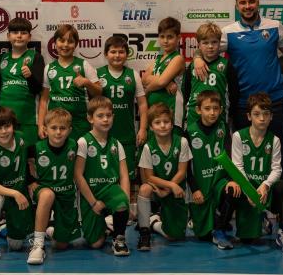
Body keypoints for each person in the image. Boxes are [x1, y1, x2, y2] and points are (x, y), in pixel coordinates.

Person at [193, 0, 283, 178]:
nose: (247, 6)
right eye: (243, 3)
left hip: (274, 102)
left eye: (251, 1)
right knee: (242, 159)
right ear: (237, 6)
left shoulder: (274, 26)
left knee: (277, 156)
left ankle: (280, 208)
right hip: (243, 106)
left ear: (258, 3)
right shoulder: (228, 32)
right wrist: (197, 57)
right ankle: (248, 206)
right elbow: (207, 46)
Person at [232, 93, 283, 254]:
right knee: (247, 240)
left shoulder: (274, 140)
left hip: (264, 191)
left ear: (271, 117)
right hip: (247, 189)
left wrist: (266, 186)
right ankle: (222, 229)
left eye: (266, 114)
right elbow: (237, 166)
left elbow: (277, 169)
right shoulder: (238, 137)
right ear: (248, 116)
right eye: (257, 114)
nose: (262, 118)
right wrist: (248, 190)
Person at [74, 96, 131, 256]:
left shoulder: (116, 143)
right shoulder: (83, 142)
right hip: (90, 194)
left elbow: (124, 176)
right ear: (90, 118)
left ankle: (119, 239)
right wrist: (93, 203)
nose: (105, 119)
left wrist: (125, 201)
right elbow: (78, 175)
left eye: (109, 115)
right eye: (100, 116)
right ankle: (106, 226)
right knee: (96, 244)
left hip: (110, 190)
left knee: (120, 202)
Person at [26, 108, 82, 265]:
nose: (58, 132)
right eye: (54, 128)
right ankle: (38, 245)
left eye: (62, 128)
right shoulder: (35, 148)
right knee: (47, 195)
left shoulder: (75, 146)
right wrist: (31, 181)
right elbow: (25, 166)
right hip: (44, 191)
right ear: (45, 129)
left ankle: (50, 230)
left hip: (66, 195)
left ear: (69, 130)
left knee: (61, 245)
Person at [186, 90, 240, 249]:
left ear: (221, 110)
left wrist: (231, 180)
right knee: (202, 236)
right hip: (201, 184)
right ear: (198, 110)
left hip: (219, 180)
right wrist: (194, 189)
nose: (212, 112)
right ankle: (211, 221)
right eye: (207, 108)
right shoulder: (189, 132)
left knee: (233, 191)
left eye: (216, 108)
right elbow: (187, 167)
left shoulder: (223, 128)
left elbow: (230, 157)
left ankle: (220, 229)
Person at [136, 103, 191, 251]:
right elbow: (149, 177)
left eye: (166, 122)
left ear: (172, 124)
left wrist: (169, 189)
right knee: (144, 188)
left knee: (174, 236)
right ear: (151, 127)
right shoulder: (148, 147)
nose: (162, 126)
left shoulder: (182, 142)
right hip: (157, 188)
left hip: (175, 189)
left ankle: (154, 223)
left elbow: (182, 171)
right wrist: (170, 186)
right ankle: (144, 233)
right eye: (157, 122)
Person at [0, 106, 33, 259]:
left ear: (13, 126)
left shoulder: (22, 138)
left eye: (7, 126)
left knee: (16, 246)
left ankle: (5, 227)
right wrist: (14, 192)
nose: (4, 131)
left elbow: (30, 162)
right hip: (3, 192)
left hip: (20, 191)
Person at [97, 34, 148, 185]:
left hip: (127, 136)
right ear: (106, 54)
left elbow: (143, 104)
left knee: (128, 180)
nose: (117, 55)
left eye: (121, 52)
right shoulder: (97, 74)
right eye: (113, 51)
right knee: (105, 179)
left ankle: (126, 208)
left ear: (127, 54)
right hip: (103, 137)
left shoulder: (132, 75)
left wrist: (143, 128)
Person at [38, 24, 102, 140]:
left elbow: (99, 92)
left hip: (79, 124)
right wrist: (41, 124)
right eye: (61, 40)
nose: (65, 45)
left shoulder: (84, 65)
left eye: (70, 41)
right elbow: (44, 100)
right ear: (55, 43)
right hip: (55, 126)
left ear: (76, 44)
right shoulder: (49, 68)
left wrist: (87, 82)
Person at [0, 17, 44, 148]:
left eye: (23, 33)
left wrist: (29, 76)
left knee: (28, 156)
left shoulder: (36, 57)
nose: (19, 36)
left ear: (29, 37)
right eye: (15, 32)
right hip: (4, 117)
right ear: (8, 36)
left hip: (27, 118)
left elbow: (38, 89)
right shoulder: (3, 58)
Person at [182, 22, 238, 130]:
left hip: (218, 115)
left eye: (214, 42)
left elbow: (234, 93)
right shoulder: (193, 66)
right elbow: (186, 90)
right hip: (194, 115)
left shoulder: (226, 65)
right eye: (205, 43)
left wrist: (231, 114)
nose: (210, 46)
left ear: (219, 43)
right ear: (199, 45)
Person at [141, 17, 185, 132]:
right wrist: (165, 83)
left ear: (178, 38)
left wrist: (152, 87)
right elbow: (144, 79)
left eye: (170, 37)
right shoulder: (159, 58)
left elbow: (160, 81)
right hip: (154, 112)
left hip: (171, 110)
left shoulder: (177, 58)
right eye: (162, 36)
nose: (165, 41)